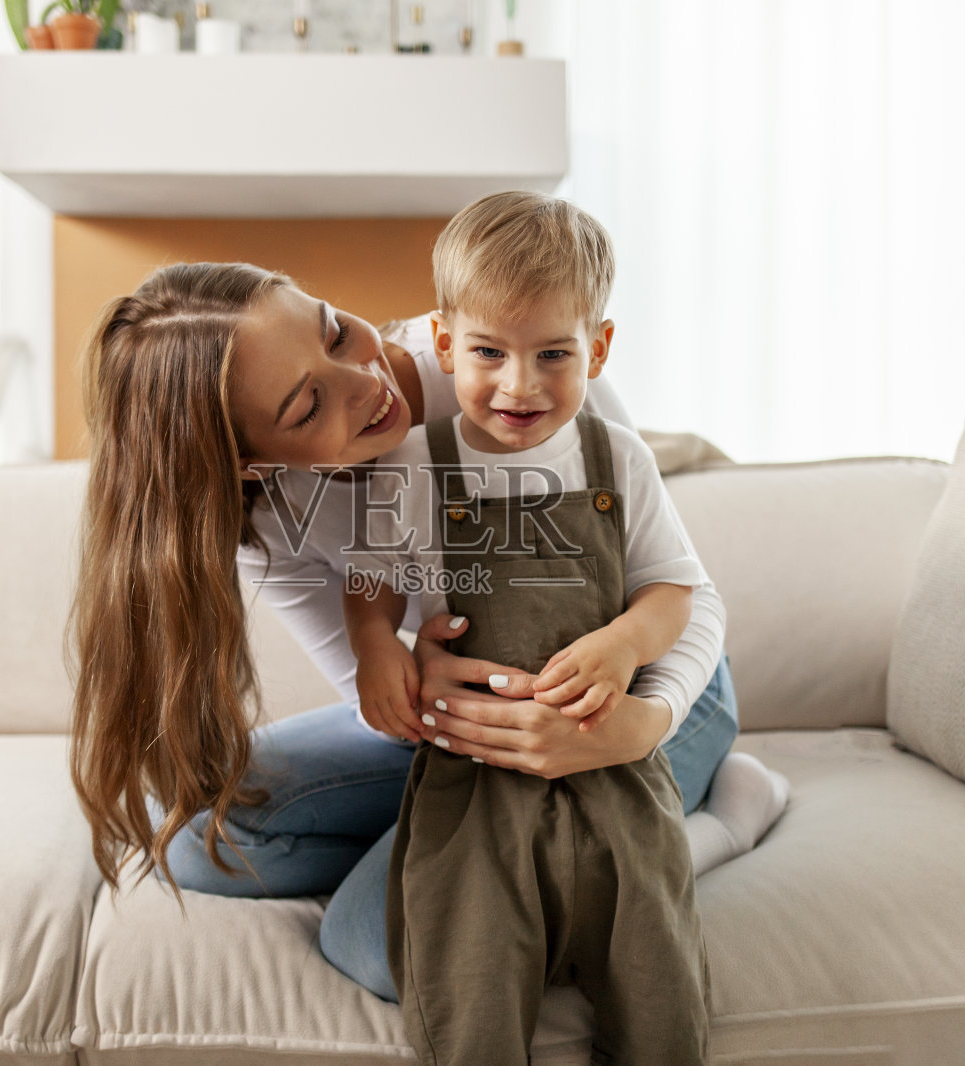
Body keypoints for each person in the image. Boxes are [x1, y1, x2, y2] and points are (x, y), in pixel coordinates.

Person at [66, 254, 789, 1007]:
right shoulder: (266, 519)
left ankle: (720, 826)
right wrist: (417, 692)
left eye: (334, 330)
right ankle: (526, 850)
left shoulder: (513, 357)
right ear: (251, 465)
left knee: (382, 948)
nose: (365, 382)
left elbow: (685, 597)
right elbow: (368, 693)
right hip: (467, 736)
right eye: (308, 408)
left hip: (645, 698)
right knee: (195, 840)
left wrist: (643, 725)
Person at [343, 191, 716, 1064]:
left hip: (614, 771)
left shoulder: (616, 458)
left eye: (555, 353)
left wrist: (625, 644)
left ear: (600, 347)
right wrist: (374, 648)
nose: (522, 384)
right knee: (468, 987)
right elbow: (370, 581)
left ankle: (716, 829)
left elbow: (674, 592)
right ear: (443, 344)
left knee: (658, 988)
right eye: (488, 352)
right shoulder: (413, 464)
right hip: (474, 786)